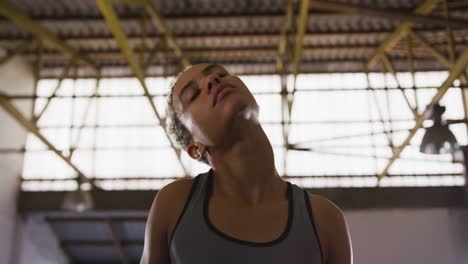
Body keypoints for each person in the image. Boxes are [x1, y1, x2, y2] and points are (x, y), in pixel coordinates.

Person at [140, 63, 353, 264]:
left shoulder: (324, 220)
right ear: (195, 148)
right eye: (193, 95)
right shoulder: (174, 205)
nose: (213, 80)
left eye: (220, 74)